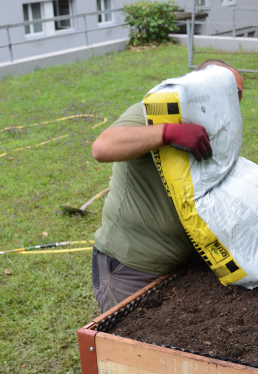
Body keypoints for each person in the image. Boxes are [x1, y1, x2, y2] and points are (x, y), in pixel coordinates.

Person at [90, 59, 244, 313]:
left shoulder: (221, 126)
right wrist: (167, 133)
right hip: (132, 267)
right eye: (227, 90)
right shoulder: (156, 110)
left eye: (237, 95)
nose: (232, 101)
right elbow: (102, 147)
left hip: (188, 265)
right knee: (133, 349)